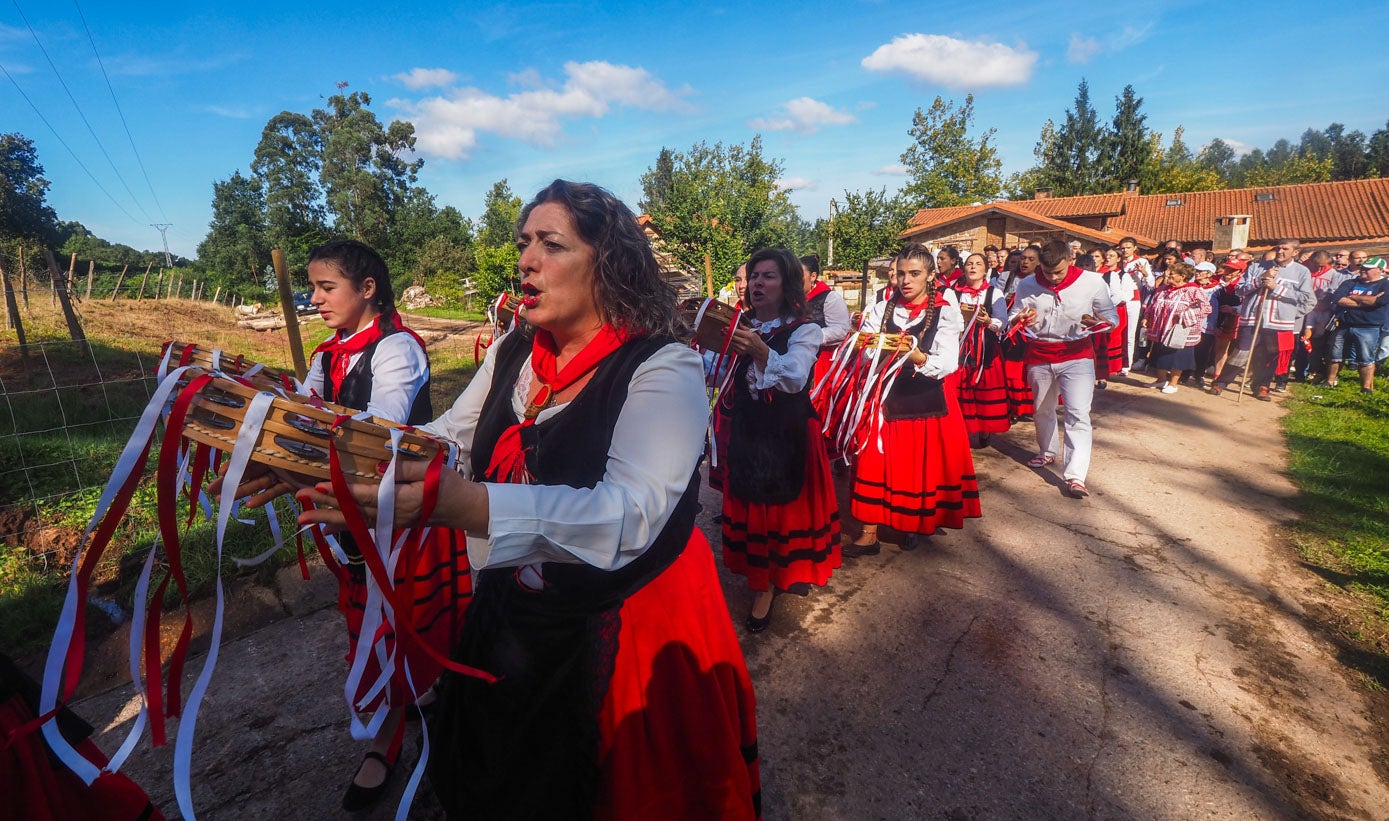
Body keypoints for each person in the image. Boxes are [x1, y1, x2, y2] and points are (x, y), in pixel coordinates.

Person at [298, 180, 760, 819]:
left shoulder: (663, 365)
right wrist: (316, 454)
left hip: (629, 611)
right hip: (520, 595)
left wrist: (469, 508)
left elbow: (630, 514)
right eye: (523, 244)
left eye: (551, 244)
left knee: (613, 786)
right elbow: (445, 438)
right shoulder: (517, 350)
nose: (525, 261)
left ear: (608, 263)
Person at [218, 238, 450, 811]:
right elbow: (305, 412)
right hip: (350, 513)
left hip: (401, 514)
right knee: (368, 619)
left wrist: (297, 425)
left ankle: (424, 704)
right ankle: (391, 727)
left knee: (406, 612)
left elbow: (379, 432)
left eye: (327, 287)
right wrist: (265, 408)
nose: (314, 299)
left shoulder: (398, 350)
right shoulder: (326, 356)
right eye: (313, 288)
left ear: (367, 289)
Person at [714, 248, 841, 632]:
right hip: (750, 433)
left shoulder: (805, 330)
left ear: (786, 284)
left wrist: (757, 349)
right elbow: (714, 373)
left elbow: (794, 378)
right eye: (754, 276)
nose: (757, 283)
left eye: (768, 276)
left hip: (788, 435)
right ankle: (761, 581)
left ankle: (772, 583)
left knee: (781, 515)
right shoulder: (741, 325)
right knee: (755, 511)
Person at [846, 242, 979, 555]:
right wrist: (873, 349)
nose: (905, 280)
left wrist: (917, 356)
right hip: (883, 395)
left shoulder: (946, 310)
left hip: (925, 398)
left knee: (912, 465)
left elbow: (948, 362)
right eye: (901, 274)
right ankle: (868, 532)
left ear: (930, 276)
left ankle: (909, 524)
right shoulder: (882, 308)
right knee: (873, 461)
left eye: (915, 274)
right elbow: (865, 348)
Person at [1009, 239, 1118, 498]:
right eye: (1047, 273)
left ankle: (1075, 476)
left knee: (1078, 413)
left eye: (1058, 271)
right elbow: (1013, 315)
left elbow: (1111, 318)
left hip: (1077, 354)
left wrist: (1097, 323)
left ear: (1070, 260)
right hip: (1040, 353)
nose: (1054, 277)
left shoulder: (1092, 282)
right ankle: (1047, 451)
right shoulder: (1027, 284)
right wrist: (1020, 319)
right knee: (1042, 409)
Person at [1212, 239, 1315, 400]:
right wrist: (1260, 280)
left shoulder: (1302, 272)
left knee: (1269, 355)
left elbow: (1308, 299)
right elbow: (1240, 290)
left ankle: (1262, 386)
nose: (1280, 251)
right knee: (1241, 351)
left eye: (1285, 249)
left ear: (1295, 252)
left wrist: (1281, 296)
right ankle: (1222, 382)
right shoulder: (1256, 267)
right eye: (1279, 248)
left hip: (1279, 322)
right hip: (1253, 318)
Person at [952, 252, 1011, 445]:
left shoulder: (994, 293)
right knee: (959, 388)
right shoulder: (955, 292)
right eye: (969, 263)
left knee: (983, 388)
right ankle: (961, 430)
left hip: (985, 348)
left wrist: (987, 321)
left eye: (978, 263)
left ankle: (985, 429)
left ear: (986, 269)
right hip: (960, 348)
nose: (973, 267)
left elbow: (1002, 322)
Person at [1141, 262, 1212, 393]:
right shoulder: (1163, 289)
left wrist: (1185, 315)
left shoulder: (1194, 290)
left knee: (1177, 357)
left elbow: (1205, 308)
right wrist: (1147, 317)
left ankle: (1173, 383)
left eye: (1171, 274)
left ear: (1182, 276)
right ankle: (1160, 380)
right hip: (1161, 327)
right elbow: (1153, 304)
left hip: (1179, 330)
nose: (1167, 277)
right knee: (1159, 354)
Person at [1326, 256, 1388, 394]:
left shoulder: (1385, 284)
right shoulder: (1350, 282)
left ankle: (1366, 388)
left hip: (1368, 326)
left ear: (1380, 270)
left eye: (1368, 269)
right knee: (1335, 354)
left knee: (1365, 358)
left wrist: (1352, 297)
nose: (1363, 270)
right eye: (1362, 268)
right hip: (1344, 323)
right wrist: (1367, 301)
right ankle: (1329, 381)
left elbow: (1379, 302)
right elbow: (1337, 299)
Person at [1299, 250, 1351, 384]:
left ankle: (1319, 371)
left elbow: (1334, 292)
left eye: (1323, 265)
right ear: (1311, 261)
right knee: (1303, 342)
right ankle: (1301, 371)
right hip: (1304, 310)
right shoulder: (1303, 269)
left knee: (1321, 344)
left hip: (1324, 312)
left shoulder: (1333, 273)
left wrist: (1325, 301)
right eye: (1317, 265)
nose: (1320, 268)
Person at [801, 252, 852, 385]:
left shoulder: (830, 298)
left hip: (821, 364)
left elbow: (841, 330)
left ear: (813, 276)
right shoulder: (791, 299)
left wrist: (811, 336)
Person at [1095, 247, 1132, 387]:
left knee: (1108, 340)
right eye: (1107, 255)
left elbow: (1124, 295)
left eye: (1112, 255)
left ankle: (1104, 374)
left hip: (1110, 311)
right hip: (1092, 313)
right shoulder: (1091, 274)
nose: (1108, 258)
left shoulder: (1117, 275)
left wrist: (1106, 305)